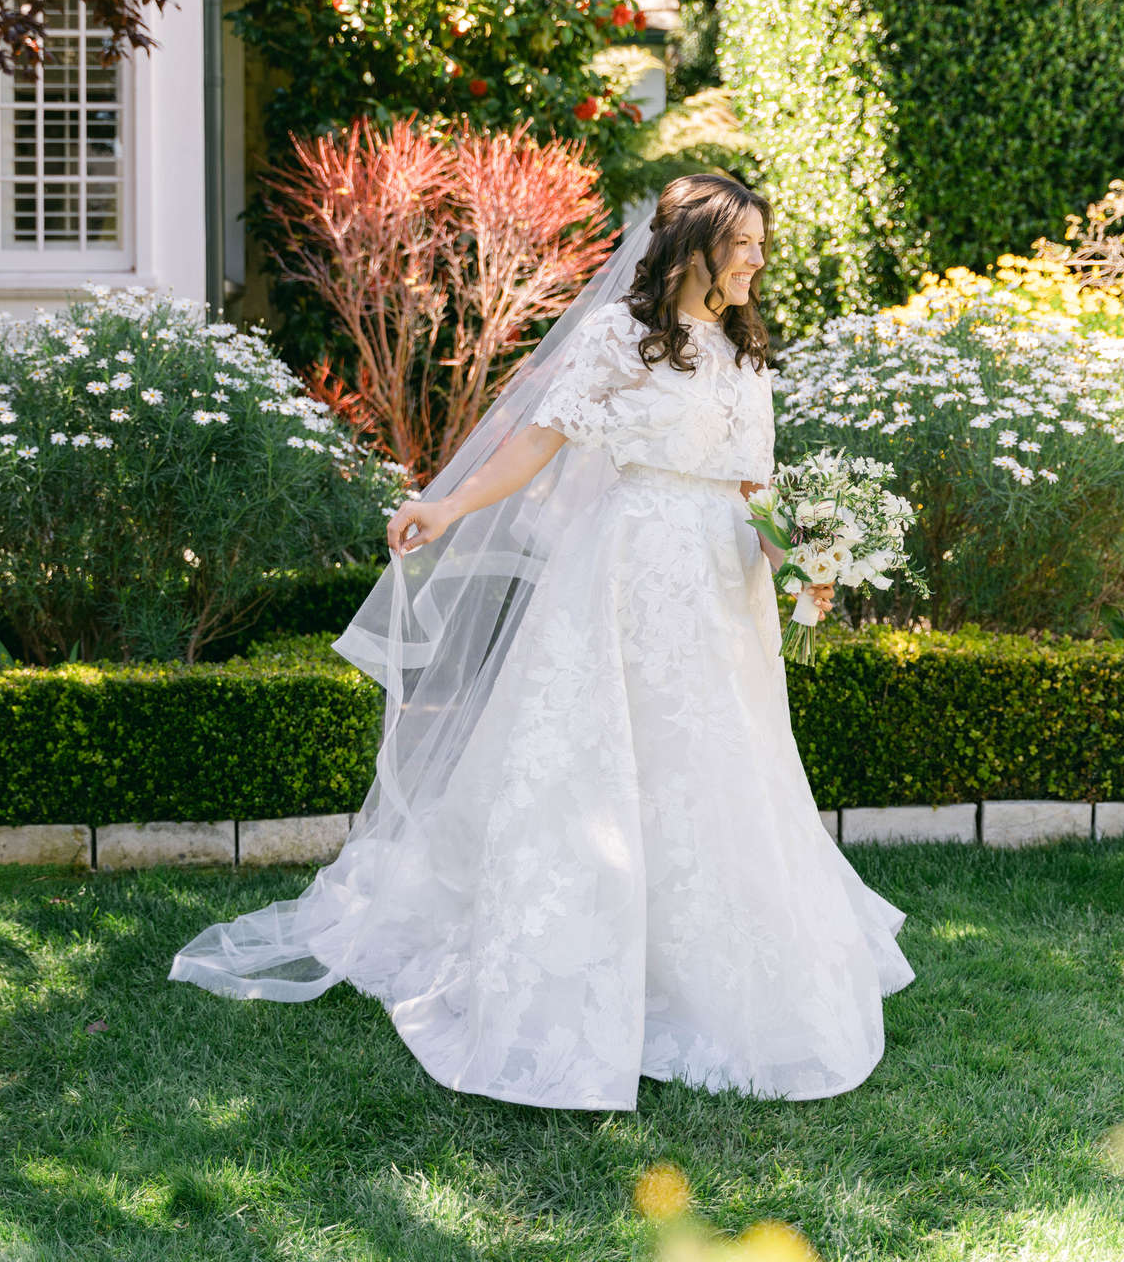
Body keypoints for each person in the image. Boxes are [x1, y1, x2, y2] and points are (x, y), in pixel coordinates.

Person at [169, 174, 914, 1109]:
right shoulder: (620, 341)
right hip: (627, 574)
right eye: (747, 244)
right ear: (694, 251)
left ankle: (703, 967)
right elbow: (536, 444)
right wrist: (444, 506)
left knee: (717, 766)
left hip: (724, 588)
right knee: (597, 758)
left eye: (763, 243)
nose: (761, 260)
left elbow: (751, 488)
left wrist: (804, 560)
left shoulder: (746, 353)